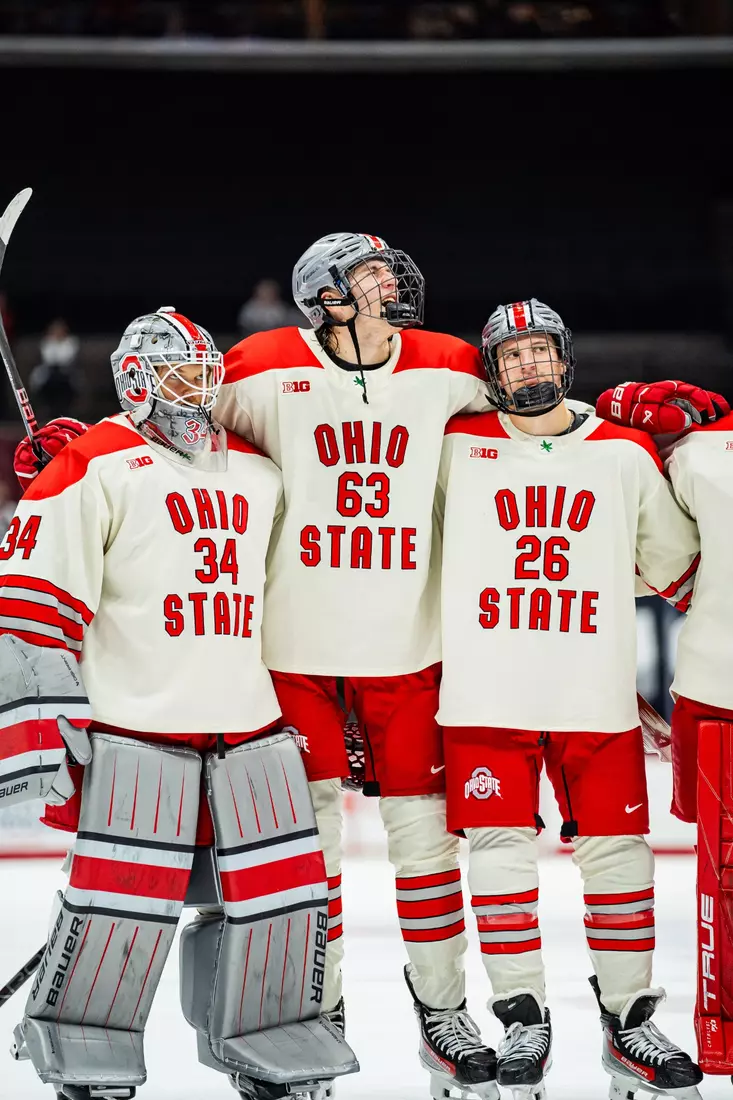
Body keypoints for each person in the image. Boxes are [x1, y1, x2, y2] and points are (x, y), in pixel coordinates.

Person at [0, 307, 355, 1100]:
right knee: (119, 907)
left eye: (206, 372)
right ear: (134, 382)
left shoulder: (264, 473)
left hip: (254, 727)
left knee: (280, 903)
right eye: (177, 375)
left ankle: (269, 1038)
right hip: (137, 728)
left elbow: (303, 594)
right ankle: (84, 1046)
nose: (199, 390)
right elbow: (30, 602)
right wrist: (44, 727)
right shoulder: (93, 463)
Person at [435, 299, 703, 1100]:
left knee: (618, 860)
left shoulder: (620, 452)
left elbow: (675, 566)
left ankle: (629, 1022)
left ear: (565, 359)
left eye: (537, 351)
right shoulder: (454, 447)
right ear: (490, 370)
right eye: (509, 355)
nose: (526, 366)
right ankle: (521, 1018)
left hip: (593, 697)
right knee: (498, 862)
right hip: (484, 694)